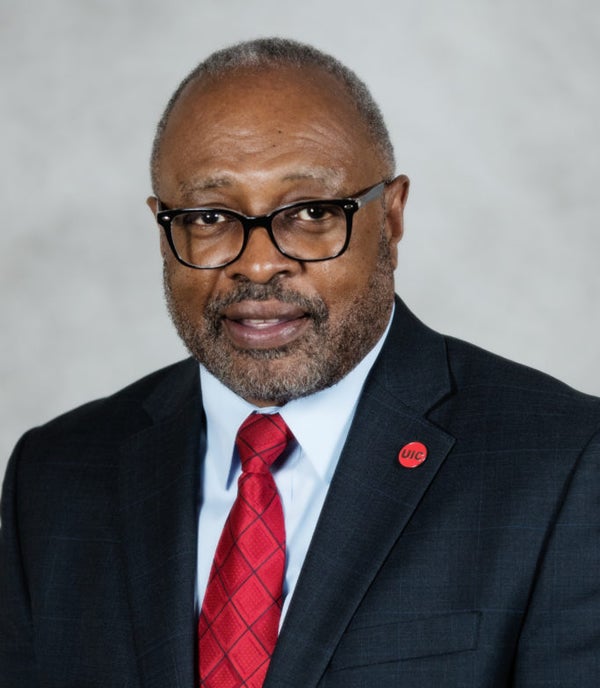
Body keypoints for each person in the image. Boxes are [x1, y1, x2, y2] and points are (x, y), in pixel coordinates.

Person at [1, 37, 599, 688]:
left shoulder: (562, 466)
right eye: (209, 216)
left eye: (312, 212)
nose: (257, 264)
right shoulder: (55, 477)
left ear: (391, 220)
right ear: (164, 228)